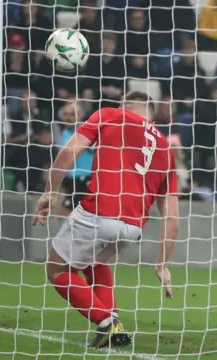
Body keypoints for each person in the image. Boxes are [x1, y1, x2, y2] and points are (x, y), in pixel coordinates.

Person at [32, 91, 179, 348]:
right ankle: (113, 325)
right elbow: (172, 216)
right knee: (94, 261)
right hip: (133, 227)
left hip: (99, 210)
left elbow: (68, 153)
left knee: (55, 268)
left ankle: (107, 322)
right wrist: (162, 264)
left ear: (124, 105)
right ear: (151, 115)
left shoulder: (111, 115)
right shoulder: (166, 148)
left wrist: (51, 192)